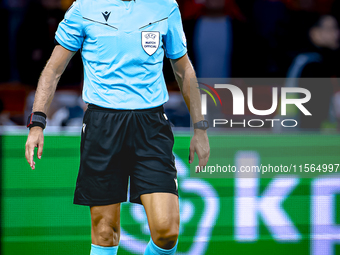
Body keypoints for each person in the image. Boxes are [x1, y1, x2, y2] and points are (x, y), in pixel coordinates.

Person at [24, 0, 210, 254]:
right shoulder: (83, 8)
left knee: (167, 232)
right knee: (104, 233)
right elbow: (53, 70)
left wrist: (200, 128)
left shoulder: (166, 6)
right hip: (103, 126)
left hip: (151, 127)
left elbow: (183, 70)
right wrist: (37, 123)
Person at [286, 15, 340, 130]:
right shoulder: (312, 65)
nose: (336, 34)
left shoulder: (320, 61)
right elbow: (312, 112)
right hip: (305, 133)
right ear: (314, 32)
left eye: (336, 28)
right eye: (330, 28)